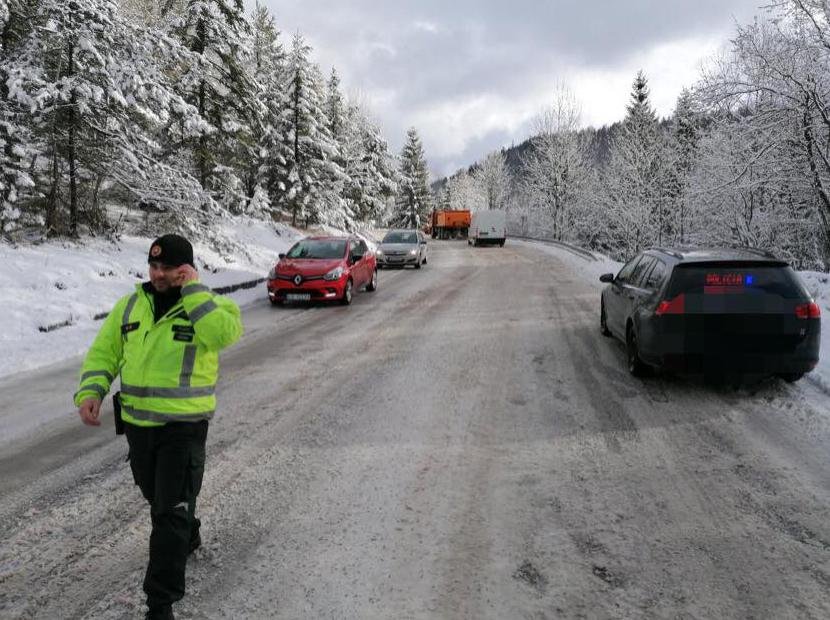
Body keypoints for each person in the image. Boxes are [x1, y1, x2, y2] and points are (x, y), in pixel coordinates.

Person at [75, 234, 243, 619]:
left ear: (186, 269)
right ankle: (189, 527)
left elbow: (221, 335)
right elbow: (105, 352)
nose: (158, 273)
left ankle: (160, 602)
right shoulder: (131, 304)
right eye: (153, 266)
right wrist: (92, 391)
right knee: (159, 497)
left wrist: (195, 291)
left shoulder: (212, 306)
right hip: (138, 426)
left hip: (183, 427)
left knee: (167, 512)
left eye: (168, 267)